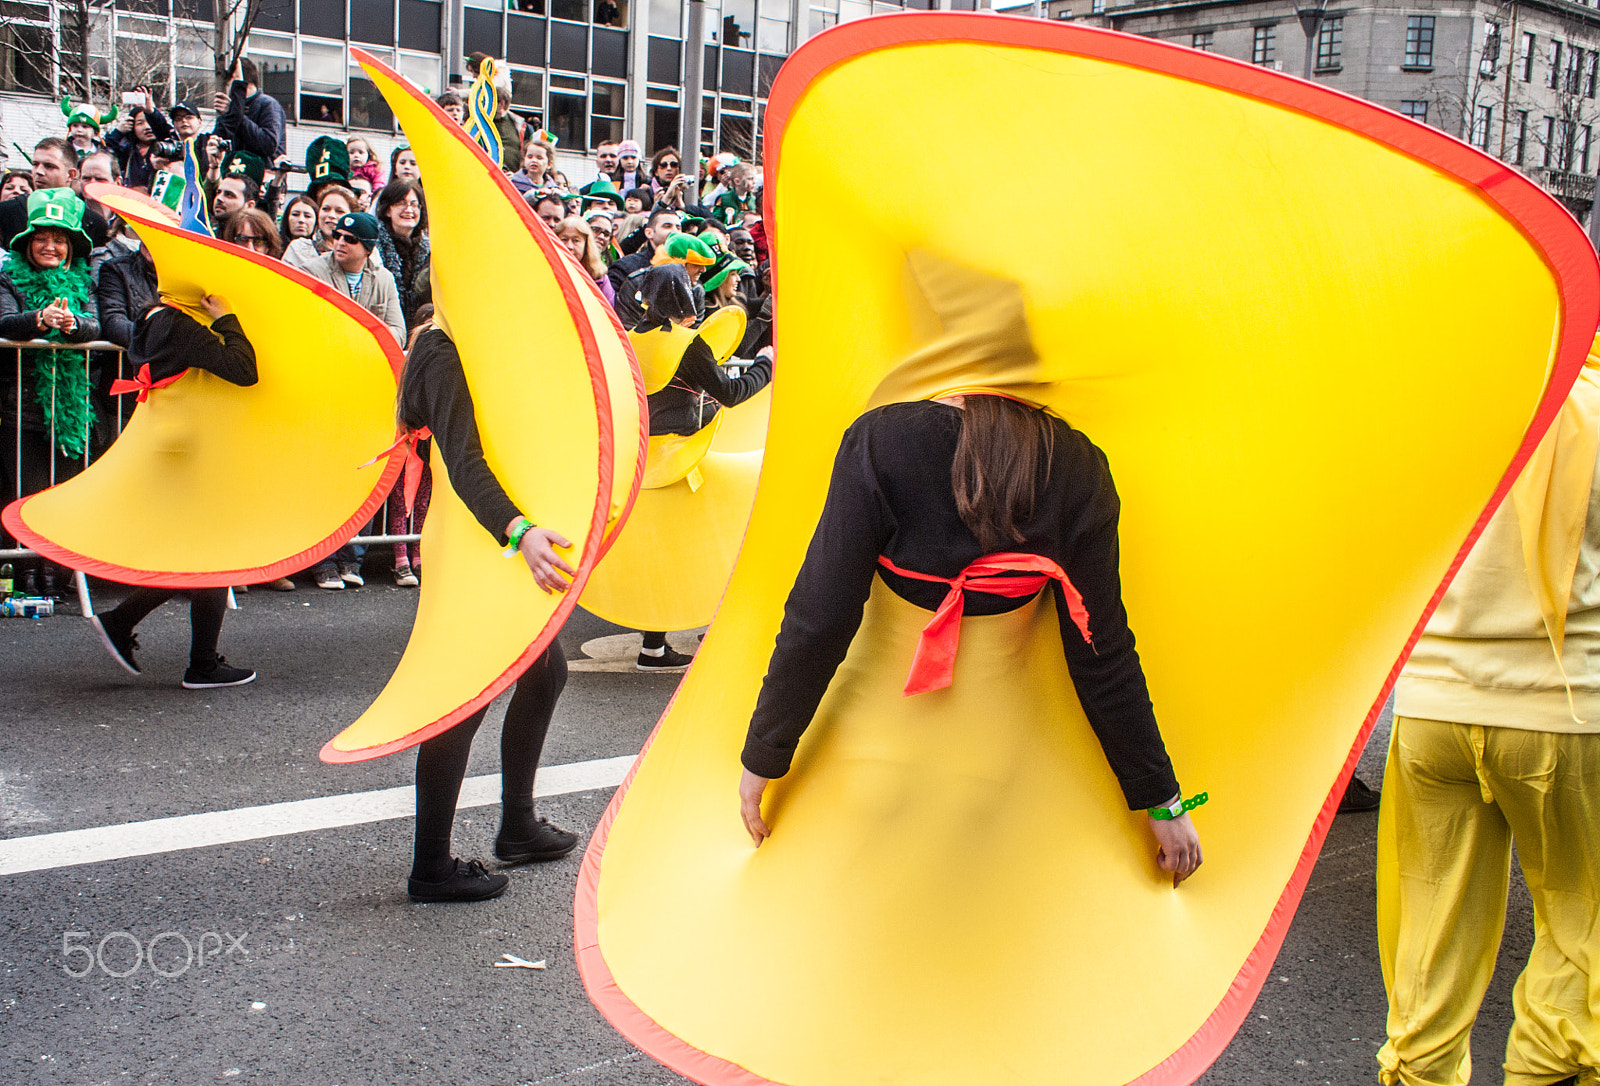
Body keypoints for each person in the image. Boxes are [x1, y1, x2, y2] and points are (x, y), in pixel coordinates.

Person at [735, 392, 1202, 889]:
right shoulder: (1079, 466)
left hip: (866, 764)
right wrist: (1166, 801)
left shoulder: (879, 440)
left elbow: (819, 621)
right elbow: (1102, 655)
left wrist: (764, 755)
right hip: (1004, 773)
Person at [1376, 365, 1600, 1086]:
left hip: (1433, 702)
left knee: (1430, 940)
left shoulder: (1444, 397)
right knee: (1580, 929)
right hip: (1566, 710)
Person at [396, 317, 580, 902]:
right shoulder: (440, 347)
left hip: (496, 539)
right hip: (478, 542)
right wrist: (518, 528)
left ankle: (518, 825)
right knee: (465, 698)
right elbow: (464, 459)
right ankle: (431, 868)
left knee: (545, 670)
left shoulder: (484, 335)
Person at [89, 294, 260, 690]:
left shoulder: (150, 317)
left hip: (171, 440)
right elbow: (242, 368)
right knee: (212, 555)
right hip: (190, 447)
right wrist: (227, 318)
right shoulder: (177, 324)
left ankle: (124, 624)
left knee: (196, 555)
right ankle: (200, 664)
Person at [0, 190, 104, 596]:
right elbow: (5, 321)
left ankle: (57, 575)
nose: (50, 246)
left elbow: (96, 327)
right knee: (29, 493)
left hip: (71, 410)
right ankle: (25, 575)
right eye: (42, 237)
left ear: (70, 246)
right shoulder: (8, 277)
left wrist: (72, 324)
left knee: (62, 495)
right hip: (19, 408)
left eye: (59, 239)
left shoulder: (84, 281)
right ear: (27, 242)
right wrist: (40, 319)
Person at [297, 211, 403, 591]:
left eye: (350, 239)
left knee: (362, 475)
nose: (339, 242)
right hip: (323, 389)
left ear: (368, 248)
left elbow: (397, 329)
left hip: (364, 391)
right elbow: (311, 324)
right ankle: (323, 562)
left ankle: (351, 558)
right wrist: (364, 334)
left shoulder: (384, 278)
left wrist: (352, 335)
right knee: (326, 477)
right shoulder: (313, 269)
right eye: (336, 235)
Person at [607, 207, 681, 327]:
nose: (674, 232)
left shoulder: (686, 268)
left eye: (678, 227)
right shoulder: (626, 266)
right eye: (667, 226)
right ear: (649, 233)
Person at [372, 180, 430, 330]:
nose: (409, 209)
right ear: (387, 210)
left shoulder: (430, 248)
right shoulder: (374, 245)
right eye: (401, 203)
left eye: (414, 204)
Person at [212, 57, 287, 161]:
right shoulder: (232, 106)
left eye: (230, 84)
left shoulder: (269, 104)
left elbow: (269, 144)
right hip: (235, 172)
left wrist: (236, 114)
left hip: (264, 174)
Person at [105, 87, 175, 192]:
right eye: (140, 123)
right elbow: (106, 154)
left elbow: (164, 130)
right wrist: (118, 132)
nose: (147, 127)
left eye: (149, 121)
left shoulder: (166, 146)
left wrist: (151, 112)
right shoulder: (128, 149)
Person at [282, 185, 359, 269]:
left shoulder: (361, 251)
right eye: (326, 209)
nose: (331, 215)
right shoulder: (298, 249)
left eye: (339, 211)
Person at [556, 216, 614, 307]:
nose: (569, 246)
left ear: (586, 245)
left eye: (576, 240)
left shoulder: (599, 278)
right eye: (564, 239)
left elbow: (608, 311)